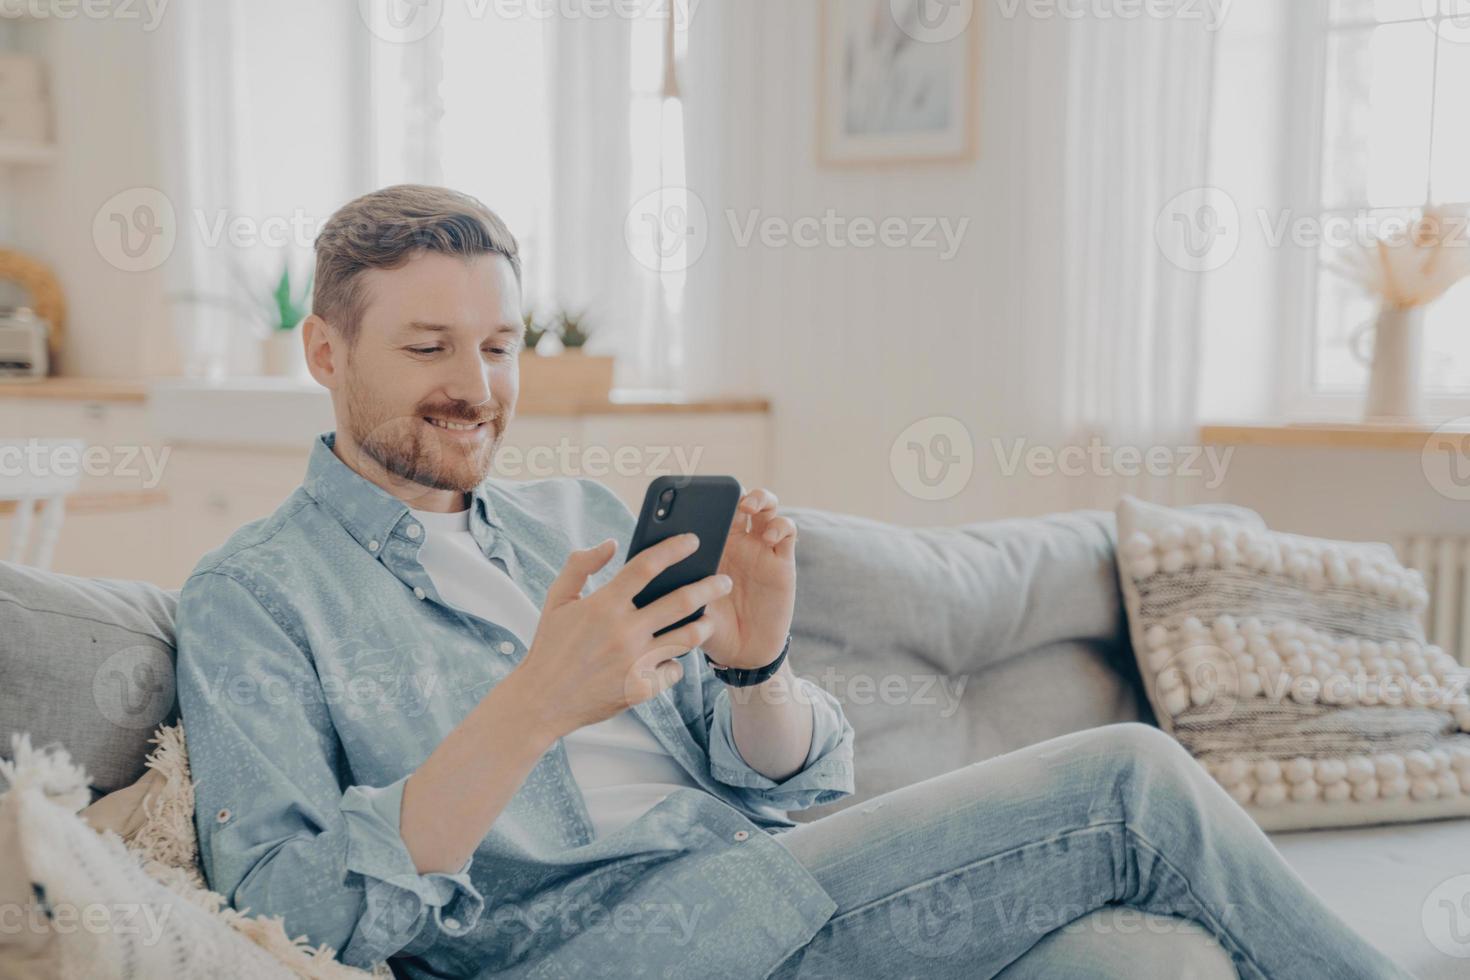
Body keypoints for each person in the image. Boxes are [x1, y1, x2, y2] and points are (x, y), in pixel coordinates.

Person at [175, 185, 1413, 980]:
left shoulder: (577, 519)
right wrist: (533, 704)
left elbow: (790, 774)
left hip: (758, 883)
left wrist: (758, 664)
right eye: (429, 346)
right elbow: (290, 912)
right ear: (326, 352)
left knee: (1128, 960)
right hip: (594, 947)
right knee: (1132, 783)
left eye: (498, 346)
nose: (477, 384)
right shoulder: (256, 597)